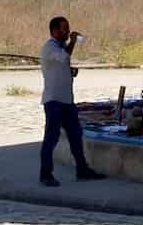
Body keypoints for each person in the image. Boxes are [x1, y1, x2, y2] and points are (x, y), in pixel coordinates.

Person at [39, 15, 106, 187]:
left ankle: (82, 169)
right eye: (64, 29)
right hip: (54, 101)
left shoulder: (59, 48)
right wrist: (74, 41)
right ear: (54, 31)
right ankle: (45, 174)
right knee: (51, 138)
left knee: (76, 136)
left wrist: (70, 73)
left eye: (68, 29)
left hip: (67, 101)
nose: (68, 32)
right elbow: (64, 57)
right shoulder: (50, 48)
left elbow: (61, 65)